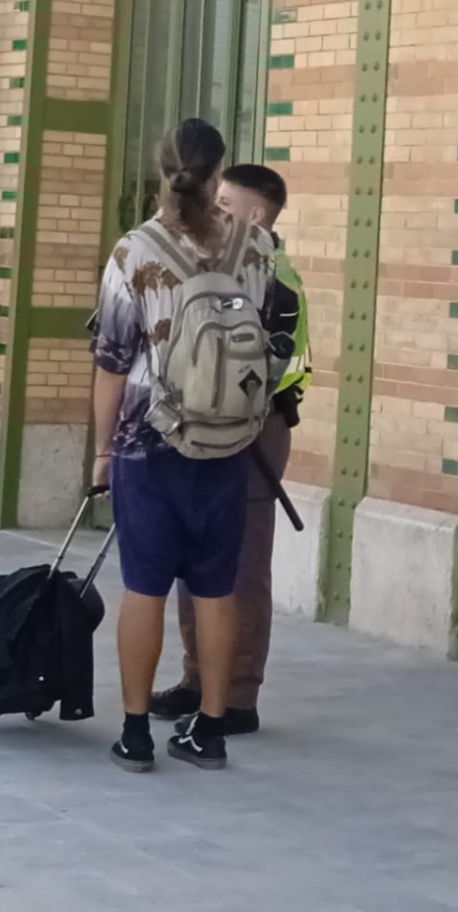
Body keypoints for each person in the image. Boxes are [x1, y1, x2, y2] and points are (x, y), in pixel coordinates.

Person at [90, 119, 275, 773]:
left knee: (145, 588)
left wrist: (102, 453)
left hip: (149, 439)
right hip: (227, 441)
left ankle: (136, 732)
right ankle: (211, 729)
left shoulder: (134, 251)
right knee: (216, 590)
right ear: (219, 172)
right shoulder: (256, 247)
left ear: (161, 168)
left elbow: (112, 360)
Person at [150, 162, 309, 735]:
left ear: (257, 215)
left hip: (254, 429)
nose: (214, 211)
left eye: (225, 203)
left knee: (240, 568)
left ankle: (238, 693)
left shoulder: (273, 274)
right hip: (204, 424)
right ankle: (198, 678)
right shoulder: (226, 264)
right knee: (199, 561)